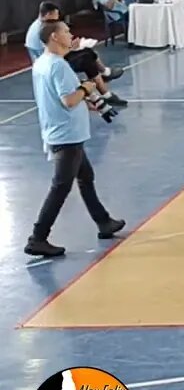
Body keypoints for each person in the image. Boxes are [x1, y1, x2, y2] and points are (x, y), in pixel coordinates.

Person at [25, 19, 126, 258]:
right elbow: (68, 100)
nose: (71, 35)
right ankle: (38, 237)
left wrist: (85, 102)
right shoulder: (59, 66)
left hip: (59, 128)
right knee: (61, 186)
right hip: (66, 134)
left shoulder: (41, 63)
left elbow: (55, 98)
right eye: (66, 32)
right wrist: (87, 88)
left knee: (85, 177)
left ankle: (103, 222)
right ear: (54, 38)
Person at [26, 2, 126, 108]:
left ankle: (105, 75)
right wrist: (71, 48)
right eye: (56, 16)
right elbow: (53, 53)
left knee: (87, 52)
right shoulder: (43, 31)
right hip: (51, 65)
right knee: (87, 59)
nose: (57, 18)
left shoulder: (40, 26)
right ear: (48, 15)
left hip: (51, 60)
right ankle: (105, 92)